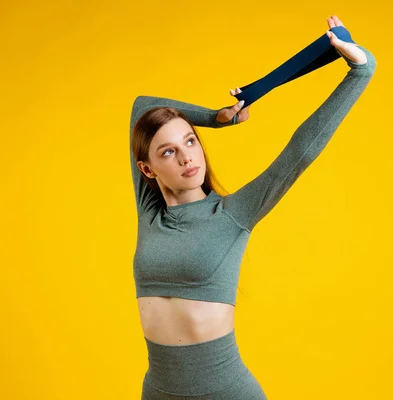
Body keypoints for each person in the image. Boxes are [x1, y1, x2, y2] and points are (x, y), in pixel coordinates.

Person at [129, 15, 376, 400]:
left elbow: (301, 151)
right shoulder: (150, 212)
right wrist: (214, 118)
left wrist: (359, 72)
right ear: (147, 168)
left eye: (191, 141)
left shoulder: (233, 214)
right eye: (168, 151)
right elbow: (144, 107)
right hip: (157, 393)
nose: (187, 157)